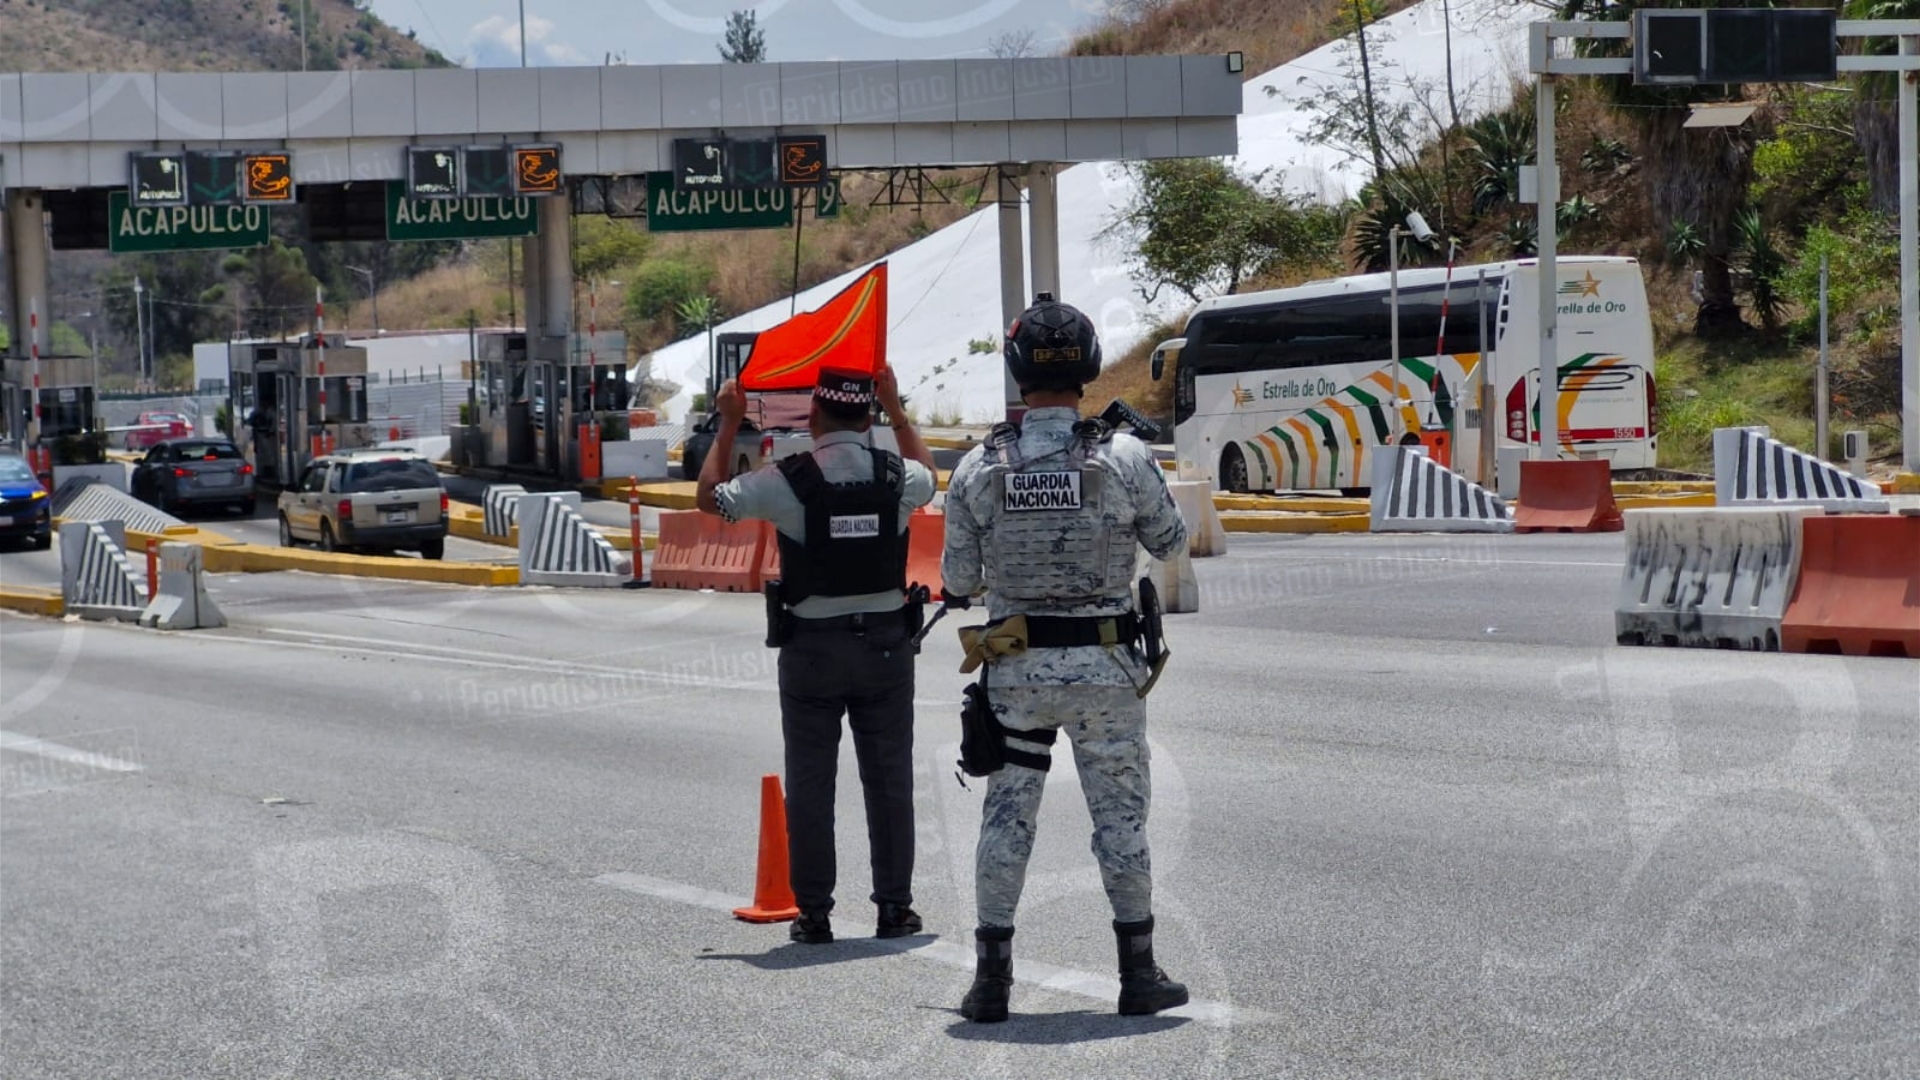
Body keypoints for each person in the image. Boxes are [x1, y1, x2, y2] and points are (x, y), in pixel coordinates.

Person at [941, 293, 1191, 1022]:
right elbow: (1173, 544)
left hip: (1017, 674)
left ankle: (990, 982)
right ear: (1086, 368)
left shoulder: (978, 468)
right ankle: (1138, 973)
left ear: (1017, 371)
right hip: (1107, 675)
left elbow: (959, 581)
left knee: (1006, 820)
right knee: (1120, 822)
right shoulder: (1124, 455)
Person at [697, 365, 939, 944]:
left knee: (811, 783)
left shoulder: (786, 479)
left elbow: (710, 499)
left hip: (811, 651)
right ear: (870, 415)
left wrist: (729, 423)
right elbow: (932, 474)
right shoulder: (897, 476)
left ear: (813, 416)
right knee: (890, 780)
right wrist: (899, 413)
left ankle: (814, 915)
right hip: (885, 648)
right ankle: (893, 909)